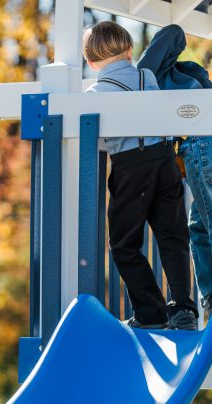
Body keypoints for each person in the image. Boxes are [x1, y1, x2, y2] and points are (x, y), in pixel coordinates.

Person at [84, 21, 198, 329]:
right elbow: (173, 33)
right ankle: (183, 310)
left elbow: (94, 141)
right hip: (164, 161)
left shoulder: (95, 94)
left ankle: (151, 312)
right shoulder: (147, 75)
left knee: (124, 244)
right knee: (173, 236)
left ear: (91, 62)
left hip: (131, 167)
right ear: (130, 50)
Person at [138, 23, 212, 321]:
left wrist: (143, 69)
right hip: (197, 146)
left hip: (202, 144)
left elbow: (173, 33)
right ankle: (209, 297)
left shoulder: (149, 76)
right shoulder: (182, 78)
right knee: (198, 228)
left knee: (207, 225)